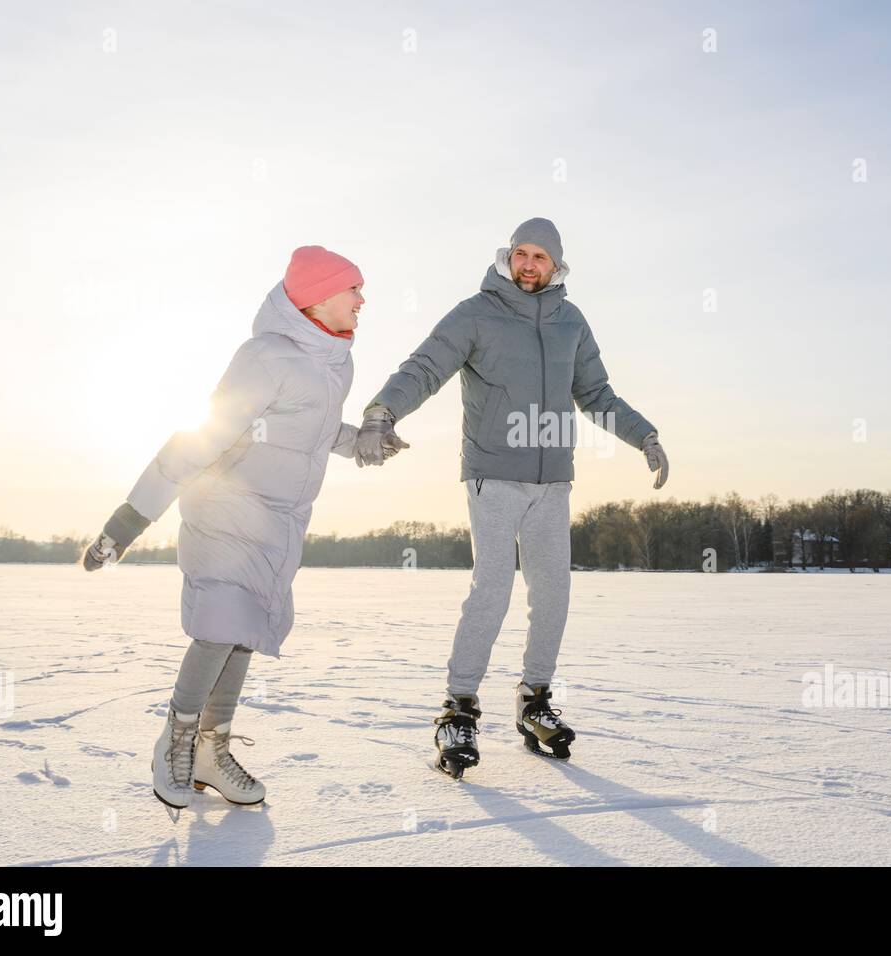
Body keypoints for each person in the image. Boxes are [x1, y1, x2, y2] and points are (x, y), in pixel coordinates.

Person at [82, 245, 405, 811]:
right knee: (218, 627)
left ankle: (211, 746)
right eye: (352, 288)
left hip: (277, 524)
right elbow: (200, 436)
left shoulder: (336, 364)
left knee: (244, 633)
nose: (362, 299)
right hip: (224, 507)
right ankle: (177, 739)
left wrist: (363, 444)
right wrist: (126, 522)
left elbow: (315, 429)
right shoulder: (265, 356)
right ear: (317, 296)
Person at [355, 218, 667, 777]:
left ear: (556, 265)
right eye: (520, 253)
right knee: (492, 588)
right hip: (492, 473)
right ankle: (459, 706)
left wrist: (643, 433)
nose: (528, 264)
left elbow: (595, 393)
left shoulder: (571, 321)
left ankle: (535, 699)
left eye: (539, 257)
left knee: (552, 590)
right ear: (508, 257)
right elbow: (424, 367)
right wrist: (383, 411)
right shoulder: (477, 311)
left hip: (553, 479)